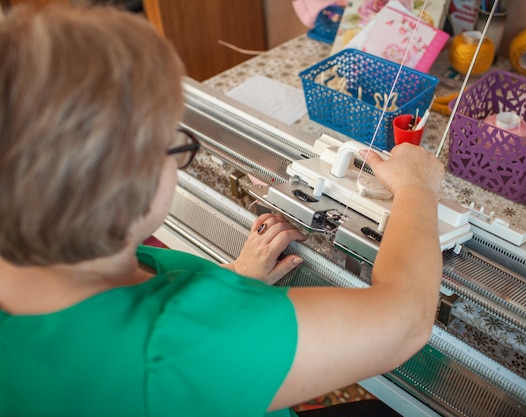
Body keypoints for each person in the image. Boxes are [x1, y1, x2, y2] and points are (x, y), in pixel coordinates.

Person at [0, 4, 444, 417]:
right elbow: (406, 320)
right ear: (128, 186)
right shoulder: (176, 347)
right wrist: (415, 190)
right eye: (174, 146)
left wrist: (231, 279)